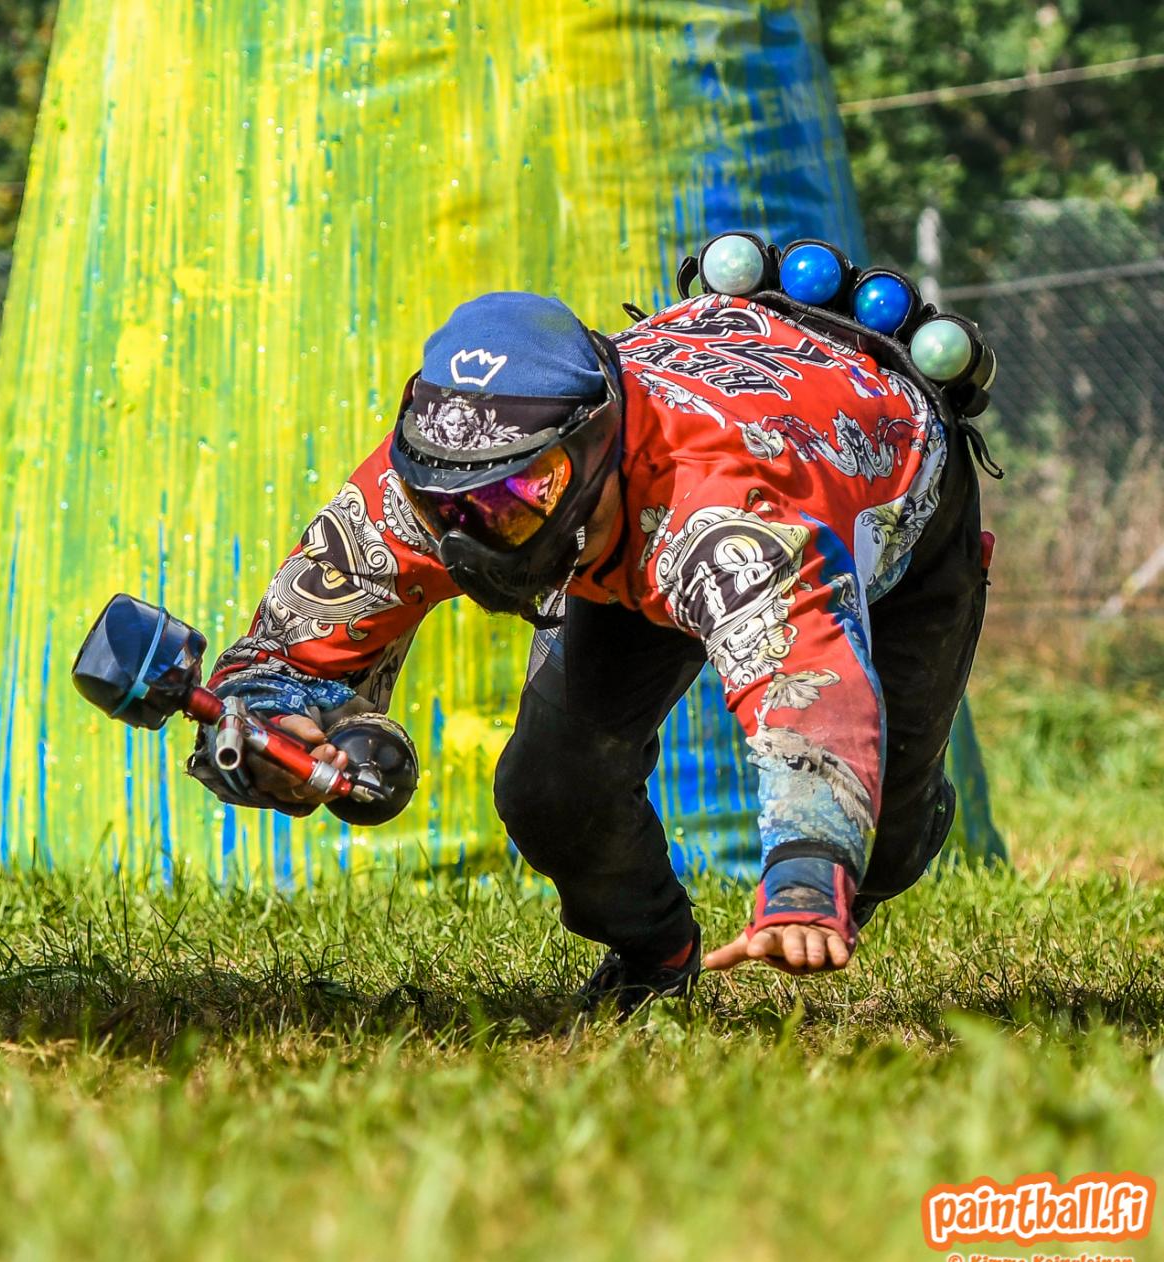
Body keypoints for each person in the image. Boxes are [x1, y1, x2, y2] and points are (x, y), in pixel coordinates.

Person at [187, 279, 992, 1014]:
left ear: (594, 447)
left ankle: (909, 820)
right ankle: (655, 956)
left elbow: (811, 694)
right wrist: (272, 737)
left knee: (876, 843)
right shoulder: (435, 474)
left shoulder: (725, 512)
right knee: (553, 789)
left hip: (896, 500)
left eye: (517, 498)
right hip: (632, 530)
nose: (471, 534)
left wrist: (807, 878)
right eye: (443, 506)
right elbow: (280, 658)